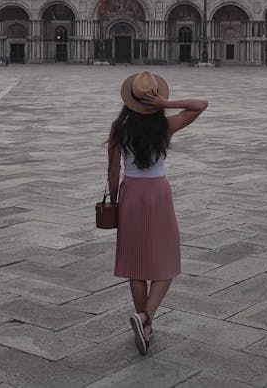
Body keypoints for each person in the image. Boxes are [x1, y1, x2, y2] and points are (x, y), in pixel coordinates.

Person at [108, 70, 208, 355]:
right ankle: (145, 319)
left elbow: (112, 172)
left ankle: (144, 324)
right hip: (158, 193)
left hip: (130, 194)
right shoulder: (165, 126)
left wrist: (115, 203)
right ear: (152, 99)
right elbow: (201, 104)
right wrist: (165, 103)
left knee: (135, 265)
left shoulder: (118, 128)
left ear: (129, 101)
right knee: (166, 261)